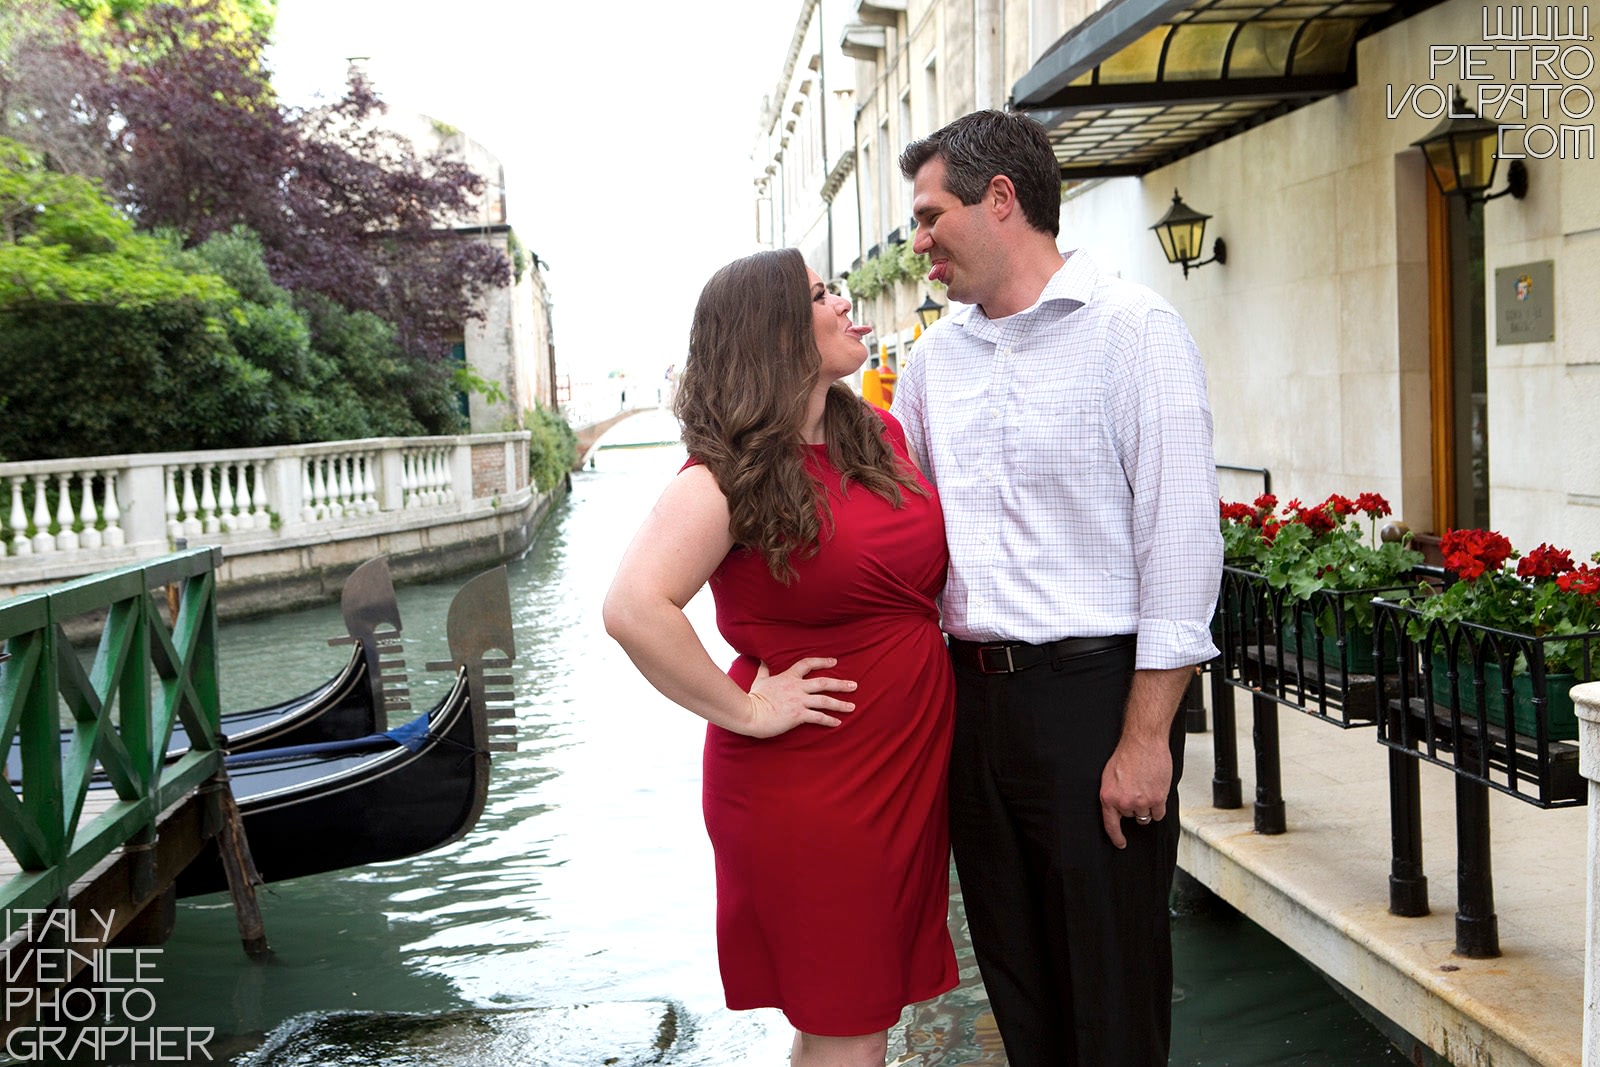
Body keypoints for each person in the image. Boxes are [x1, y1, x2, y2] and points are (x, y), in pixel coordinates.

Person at [891, 109, 1223, 1065]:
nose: (917, 242)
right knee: (1021, 1000)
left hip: (1095, 705)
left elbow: (1181, 552)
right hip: (971, 713)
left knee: (1112, 1010)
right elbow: (899, 530)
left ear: (1002, 201)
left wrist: (1146, 736)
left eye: (929, 214)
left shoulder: (1136, 332)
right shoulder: (930, 362)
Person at [602, 248, 959, 1066]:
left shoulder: (876, 432)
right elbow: (632, 609)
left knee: (847, 1021)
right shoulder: (726, 475)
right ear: (774, 331)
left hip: (897, 772)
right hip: (813, 784)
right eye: (822, 294)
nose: (846, 303)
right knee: (854, 1024)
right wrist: (751, 710)